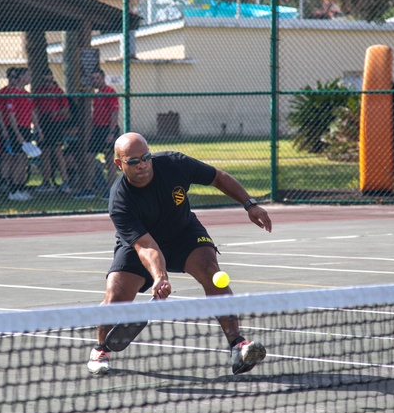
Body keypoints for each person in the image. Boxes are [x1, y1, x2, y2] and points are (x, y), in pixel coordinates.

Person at [88, 132, 273, 376]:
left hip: (183, 233)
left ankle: (237, 346)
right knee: (116, 296)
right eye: (133, 161)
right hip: (141, 244)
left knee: (211, 271)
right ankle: (101, 349)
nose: (142, 164)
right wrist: (160, 276)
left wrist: (250, 204)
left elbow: (218, 177)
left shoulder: (175, 164)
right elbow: (147, 246)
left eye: (146, 157)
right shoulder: (120, 200)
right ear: (119, 163)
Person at [0, 68, 36, 201]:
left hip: (25, 129)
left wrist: (38, 129)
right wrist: (17, 133)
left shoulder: (27, 94)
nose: (30, 77)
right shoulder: (12, 94)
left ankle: (19, 187)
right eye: (27, 75)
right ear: (21, 77)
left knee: (23, 159)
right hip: (17, 129)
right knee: (17, 159)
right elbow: (11, 116)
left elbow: (32, 113)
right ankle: (13, 190)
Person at [30, 68, 71, 194]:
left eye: (49, 81)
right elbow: (34, 110)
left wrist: (54, 114)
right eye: (45, 81)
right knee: (45, 153)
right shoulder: (38, 92)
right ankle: (46, 181)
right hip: (44, 125)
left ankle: (65, 181)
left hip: (56, 124)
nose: (47, 84)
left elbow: (66, 111)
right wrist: (37, 125)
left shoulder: (58, 91)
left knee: (58, 152)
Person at [90, 68, 120, 198]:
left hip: (108, 129)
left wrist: (111, 132)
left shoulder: (110, 92)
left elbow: (114, 113)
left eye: (97, 78)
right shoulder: (96, 94)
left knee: (109, 160)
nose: (95, 81)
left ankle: (111, 190)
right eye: (93, 79)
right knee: (88, 157)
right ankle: (89, 188)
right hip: (97, 129)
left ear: (102, 78)